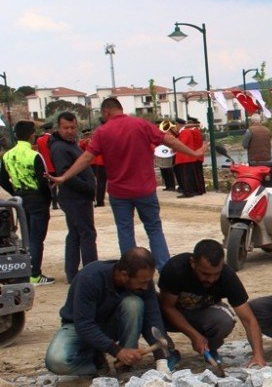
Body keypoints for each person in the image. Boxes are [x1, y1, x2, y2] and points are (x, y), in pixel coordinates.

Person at [48, 97, 207, 272]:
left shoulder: (102, 132)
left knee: (125, 232)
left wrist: (64, 177)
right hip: (145, 189)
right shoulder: (141, 124)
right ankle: (164, 268)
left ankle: (131, 271)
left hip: (119, 193)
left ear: (106, 112)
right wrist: (194, 152)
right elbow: (169, 140)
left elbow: (86, 158)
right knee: (154, 229)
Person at [45, 247, 167, 376]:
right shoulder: (90, 278)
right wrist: (117, 350)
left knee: (134, 304)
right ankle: (95, 363)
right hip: (78, 327)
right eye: (142, 282)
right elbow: (84, 324)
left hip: (110, 325)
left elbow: (152, 317)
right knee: (56, 362)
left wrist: (161, 359)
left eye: (147, 282)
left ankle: (124, 365)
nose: (146, 287)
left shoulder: (143, 282)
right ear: (124, 275)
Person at [158, 239, 267, 368]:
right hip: (170, 315)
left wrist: (258, 355)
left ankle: (210, 349)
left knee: (224, 320)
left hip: (201, 315)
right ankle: (166, 353)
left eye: (216, 274)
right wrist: (194, 336)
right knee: (149, 314)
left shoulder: (227, 277)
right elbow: (167, 307)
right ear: (193, 263)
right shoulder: (175, 269)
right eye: (205, 274)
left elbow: (249, 320)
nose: (210, 279)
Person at [0, 120, 54, 284]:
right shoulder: (34, 155)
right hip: (37, 198)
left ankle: (27, 270)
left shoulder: (7, 155)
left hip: (20, 198)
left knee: (27, 236)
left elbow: (2, 179)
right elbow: (43, 181)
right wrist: (48, 199)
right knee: (38, 238)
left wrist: (15, 191)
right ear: (31, 135)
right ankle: (35, 274)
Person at [49, 112, 97, 283]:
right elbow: (66, 175)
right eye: (65, 128)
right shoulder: (60, 148)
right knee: (87, 234)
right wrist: (89, 189)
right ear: (58, 128)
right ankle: (91, 274)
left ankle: (73, 273)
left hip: (77, 198)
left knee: (76, 234)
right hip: (75, 198)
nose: (70, 131)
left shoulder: (69, 144)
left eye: (72, 127)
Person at [175, 117, 205, 197]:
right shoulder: (190, 131)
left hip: (186, 157)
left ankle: (189, 192)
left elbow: (181, 144)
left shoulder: (186, 132)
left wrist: (173, 145)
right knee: (191, 176)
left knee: (186, 176)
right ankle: (196, 190)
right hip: (191, 156)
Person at [80, 126, 107, 207]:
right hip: (88, 163)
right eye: (86, 135)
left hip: (95, 163)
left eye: (89, 134)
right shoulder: (83, 141)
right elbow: (80, 147)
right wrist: (85, 142)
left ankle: (97, 197)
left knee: (97, 181)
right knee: (90, 181)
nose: (88, 136)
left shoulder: (94, 140)